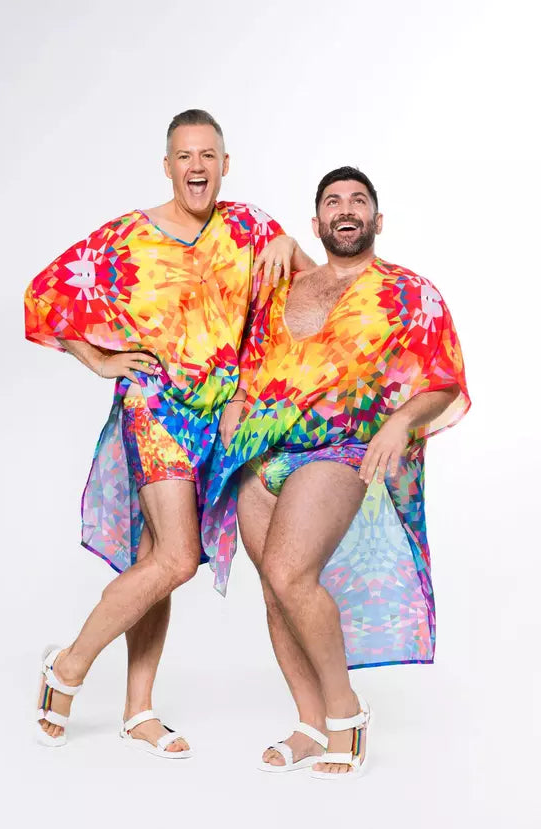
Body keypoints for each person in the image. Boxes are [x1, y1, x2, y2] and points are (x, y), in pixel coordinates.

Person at [25, 109, 314, 754]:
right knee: (179, 558)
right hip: (156, 409)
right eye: (185, 156)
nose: (197, 167)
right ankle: (67, 668)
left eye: (208, 155)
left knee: (157, 557)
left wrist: (289, 245)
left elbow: (315, 292)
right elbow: (45, 293)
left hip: (220, 416)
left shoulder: (250, 227)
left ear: (225, 165)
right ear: (167, 166)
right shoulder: (130, 236)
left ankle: (138, 711)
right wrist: (99, 360)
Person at [205, 166, 470, 777]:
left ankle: (345, 712)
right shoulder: (287, 286)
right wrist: (238, 404)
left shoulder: (409, 293)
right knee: (275, 591)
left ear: (377, 220)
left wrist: (400, 423)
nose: (345, 209)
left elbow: (444, 379)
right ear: (317, 221)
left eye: (357, 201)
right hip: (259, 451)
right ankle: (308, 724)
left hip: (341, 447)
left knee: (290, 572)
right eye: (333, 201)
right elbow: (252, 361)